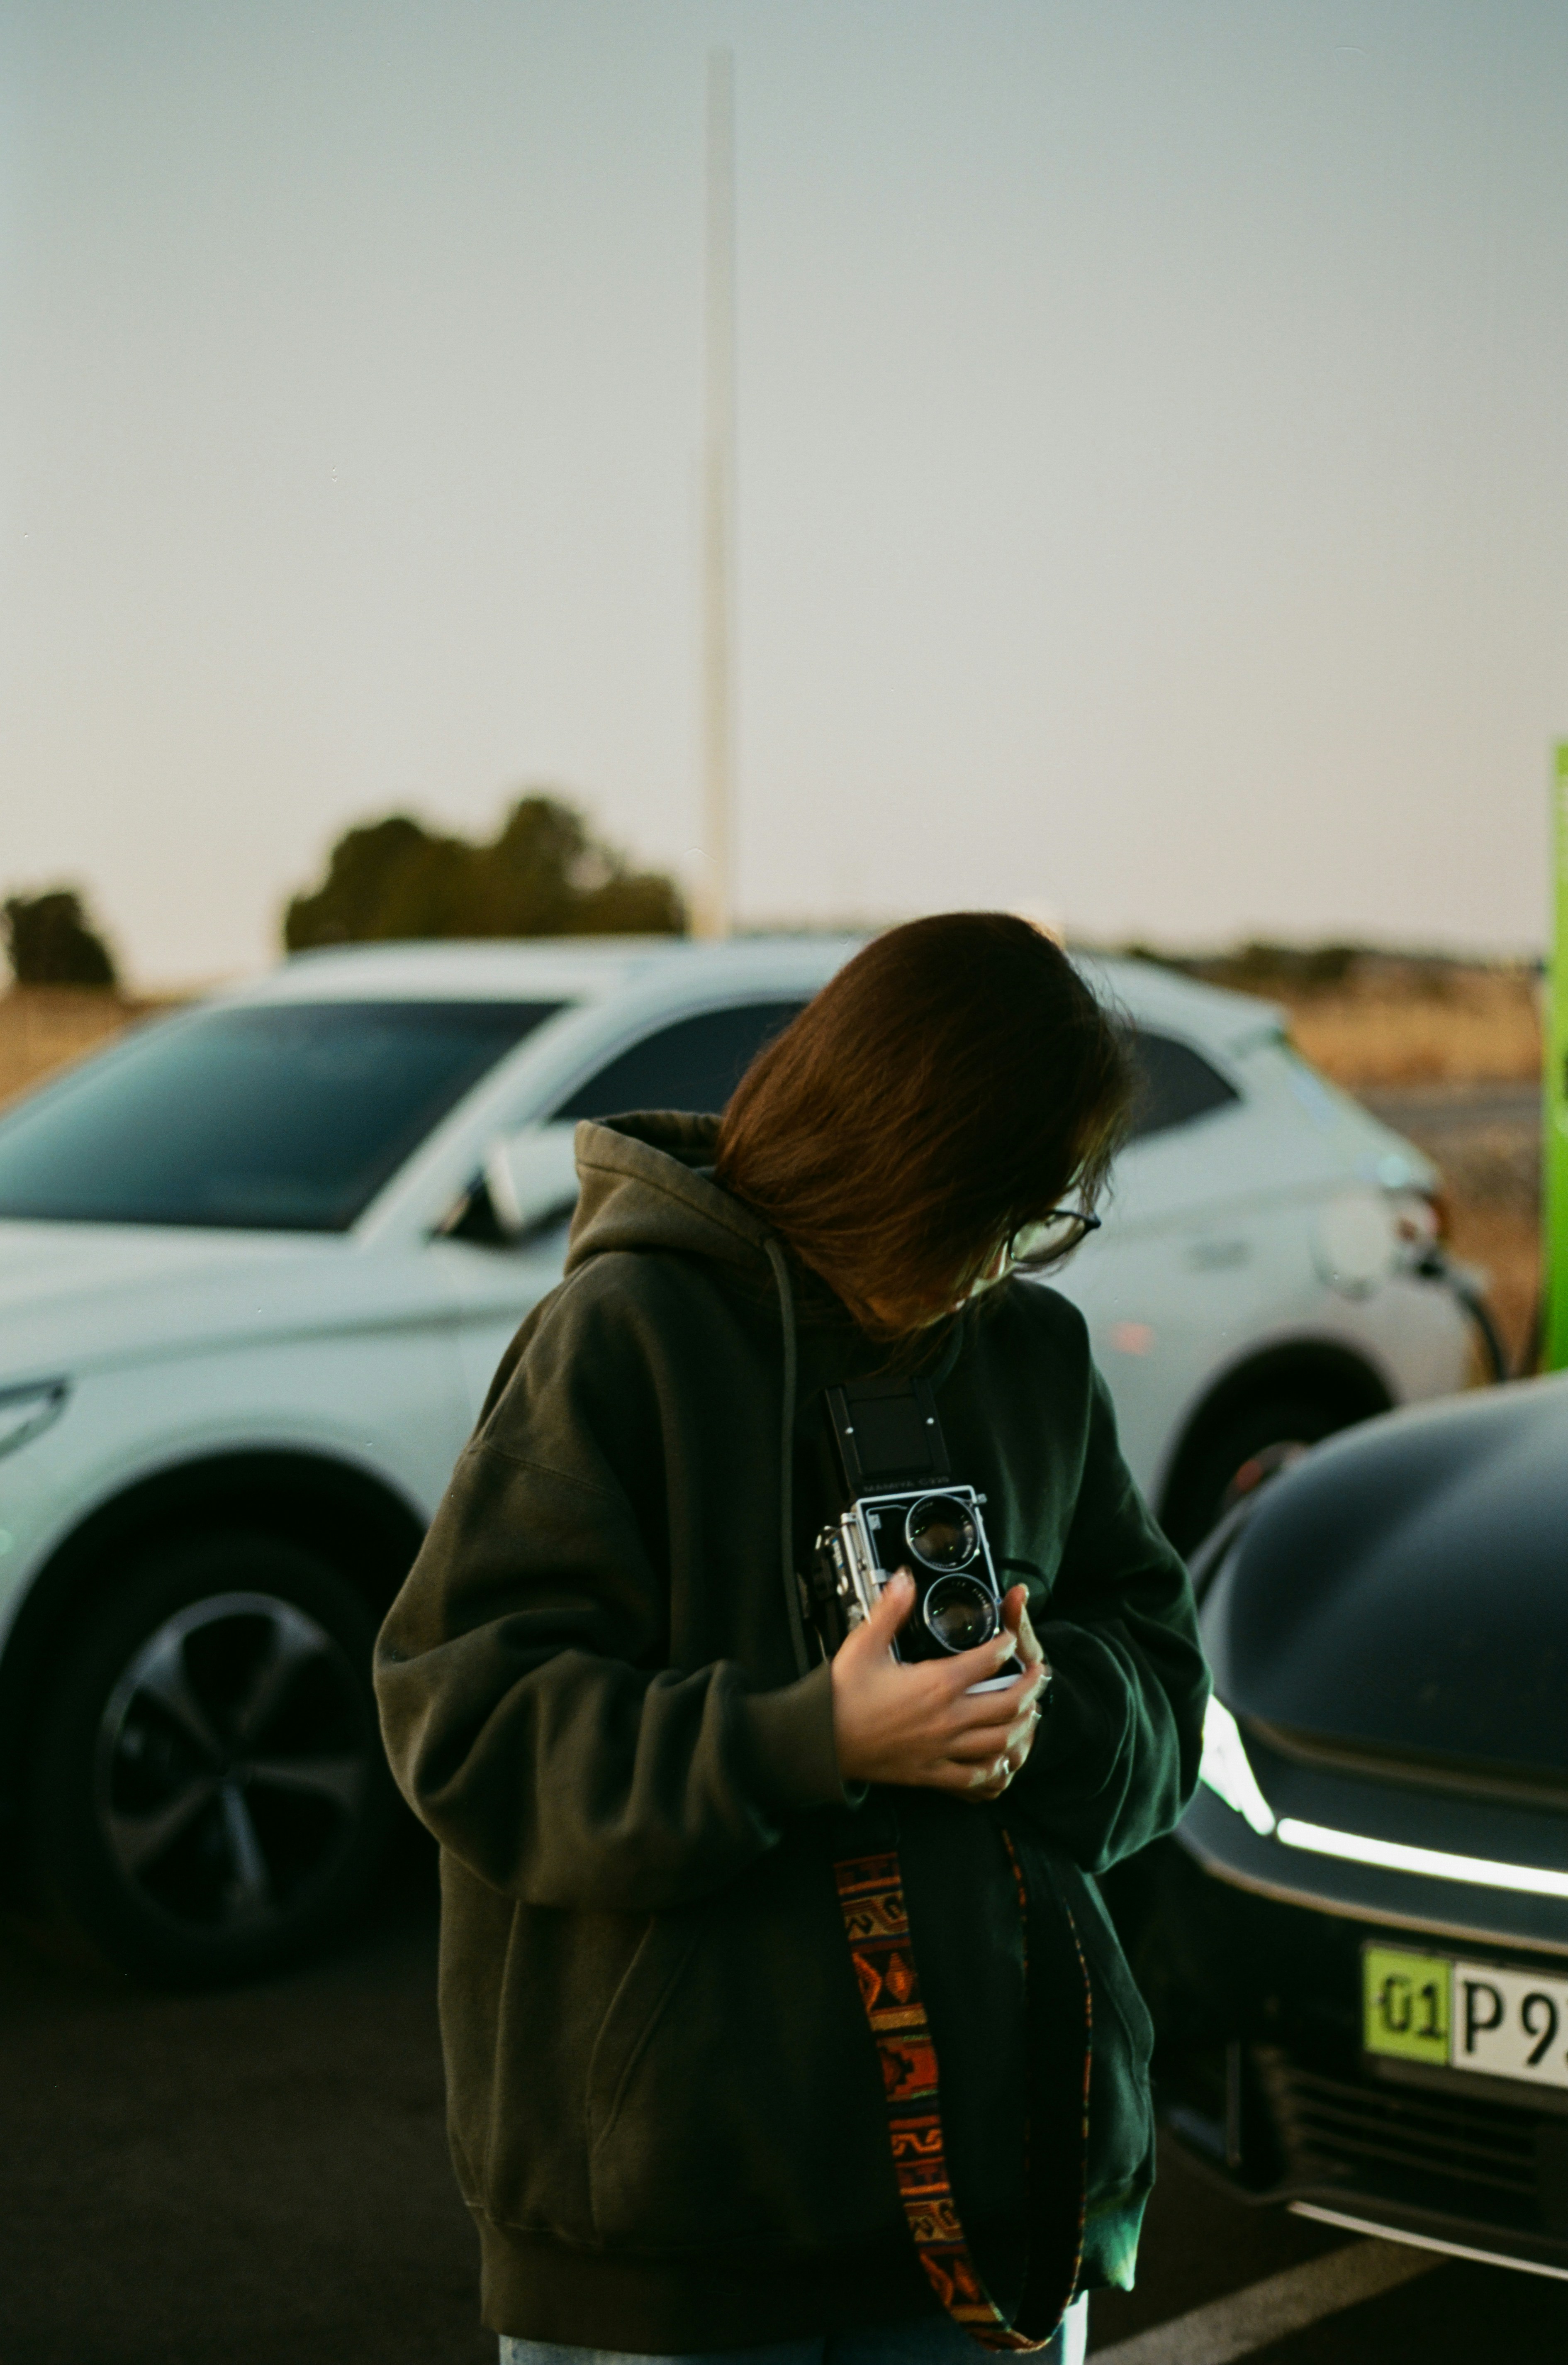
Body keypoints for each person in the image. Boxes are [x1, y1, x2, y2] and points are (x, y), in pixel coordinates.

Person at [374, 912, 1209, 2365]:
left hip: (998, 2216)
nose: (1010, 1258)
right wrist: (808, 1737)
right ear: (900, 1162)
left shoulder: (1030, 1354)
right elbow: (467, 1716)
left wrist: (1041, 1717)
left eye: (1049, 1216)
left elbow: (1163, 1685)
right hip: (675, 2254)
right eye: (1000, 1209)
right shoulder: (623, 1336)